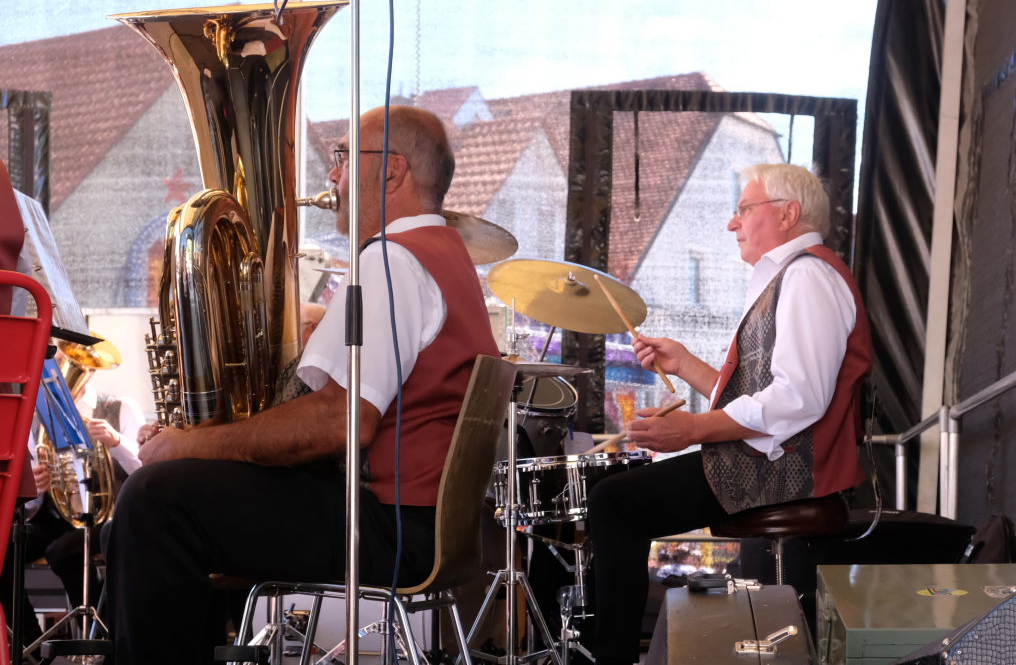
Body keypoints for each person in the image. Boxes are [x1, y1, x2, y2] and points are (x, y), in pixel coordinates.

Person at [102, 105, 499, 665]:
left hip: (388, 529)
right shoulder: (446, 257)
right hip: (420, 526)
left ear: (392, 170)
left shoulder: (394, 261)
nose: (333, 175)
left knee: (154, 500)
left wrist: (190, 445)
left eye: (343, 157)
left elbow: (342, 420)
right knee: (160, 506)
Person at [587, 163, 872, 665]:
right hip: (773, 463)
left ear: (788, 213)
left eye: (743, 209)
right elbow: (764, 394)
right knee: (616, 495)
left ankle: (611, 658)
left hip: (787, 473)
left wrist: (693, 429)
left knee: (615, 503)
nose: (731, 223)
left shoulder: (808, 276)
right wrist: (685, 364)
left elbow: (798, 398)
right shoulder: (794, 275)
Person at [0, 369, 143, 649]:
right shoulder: (37, 419)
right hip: (58, 516)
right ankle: (28, 643)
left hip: (108, 516)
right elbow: (31, 505)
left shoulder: (121, 407)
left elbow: (144, 469)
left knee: (63, 551)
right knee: (4, 547)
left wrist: (116, 441)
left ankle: (101, 637)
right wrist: (34, 486)